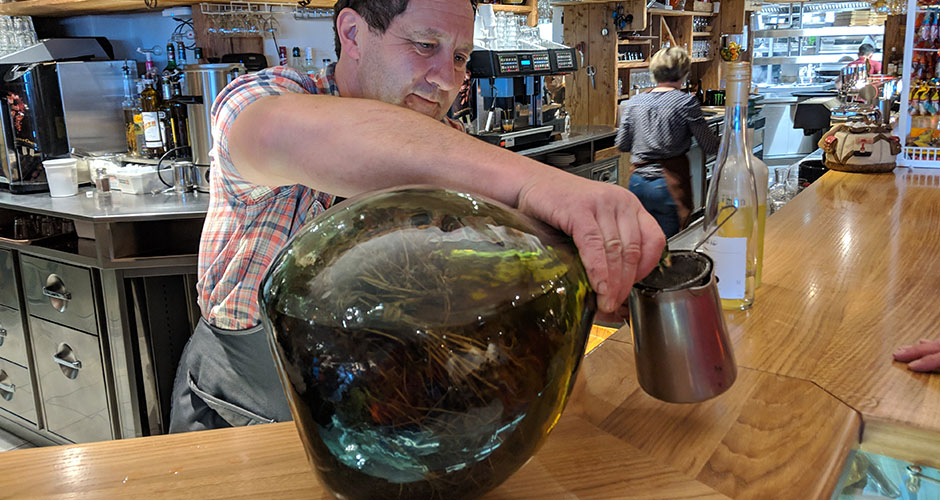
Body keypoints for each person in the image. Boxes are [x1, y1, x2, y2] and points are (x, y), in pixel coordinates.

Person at [169, 0, 665, 432]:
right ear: (352, 33)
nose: (448, 78)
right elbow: (286, 134)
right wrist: (537, 182)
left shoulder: (447, 145)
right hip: (240, 412)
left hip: (379, 427)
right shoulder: (264, 99)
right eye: (426, 45)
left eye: (461, 57)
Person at [616, 47, 719, 238]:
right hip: (668, 183)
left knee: (642, 242)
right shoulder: (685, 103)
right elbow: (710, 146)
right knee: (668, 245)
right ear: (683, 73)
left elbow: (622, 144)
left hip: (637, 182)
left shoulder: (634, 102)